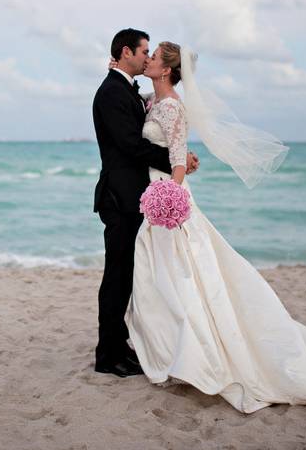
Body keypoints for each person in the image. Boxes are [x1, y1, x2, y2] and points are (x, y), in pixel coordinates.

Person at [124, 41, 306, 416]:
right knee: (162, 271)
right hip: (154, 193)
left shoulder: (173, 107)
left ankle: (188, 351)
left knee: (181, 272)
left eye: (154, 57)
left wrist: (172, 200)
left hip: (168, 198)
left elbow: (178, 159)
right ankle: (166, 344)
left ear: (166, 69)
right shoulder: (152, 100)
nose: (147, 60)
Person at [91, 28, 199, 378]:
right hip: (120, 198)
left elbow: (155, 135)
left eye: (151, 54)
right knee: (117, 277)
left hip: (137, 196)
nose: (147, 57)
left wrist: (180, 158)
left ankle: (121, 345)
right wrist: (177, 161)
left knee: (132, 276)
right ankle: (108, 354)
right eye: (143, 52)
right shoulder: (112, 92)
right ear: (127, 53)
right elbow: (130, 145)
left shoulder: (129, 90)